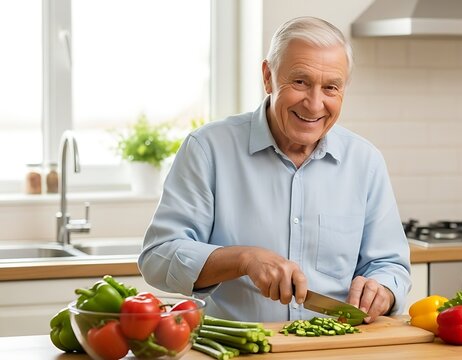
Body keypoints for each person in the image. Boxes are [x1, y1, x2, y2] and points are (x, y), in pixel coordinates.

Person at [138, 16, 411, 324]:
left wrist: (383, 289)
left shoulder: (365, 161)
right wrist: (242, 259)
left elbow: (390, 265)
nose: (314, 104)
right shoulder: (208, 149)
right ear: (268, 77)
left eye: (331, 87)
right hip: (236, 351)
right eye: (300, 82)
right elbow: (158, 257)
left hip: (336, 349)